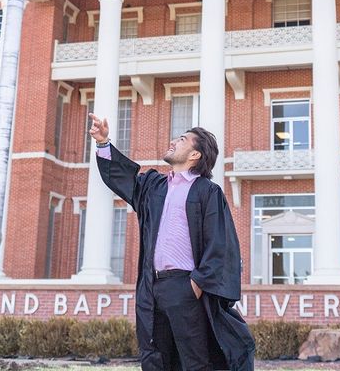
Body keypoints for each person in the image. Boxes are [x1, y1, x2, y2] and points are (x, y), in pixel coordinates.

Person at [89, 113, 255, 371]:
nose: (174, 141)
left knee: (195, 360)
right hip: (151, 285)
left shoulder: (206, 192)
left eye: (182, 139)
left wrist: (196, 284)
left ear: (195, 155)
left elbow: (220, 245)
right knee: (154, 356)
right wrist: (103, 143)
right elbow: (124, 179)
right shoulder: (154, 186)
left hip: (185, 286)